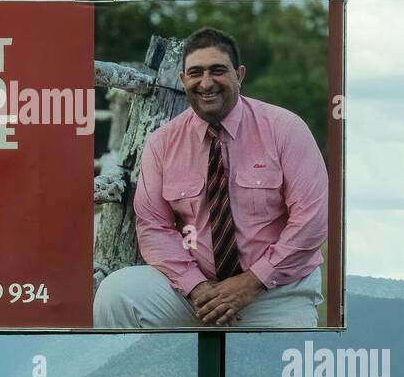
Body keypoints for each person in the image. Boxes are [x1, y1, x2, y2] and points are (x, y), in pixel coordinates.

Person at [94, 26, 328, 329]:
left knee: (281, 372)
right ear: (183, 80)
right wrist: (196, 286)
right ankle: (146, 374)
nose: (206, 83)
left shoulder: (285, 129)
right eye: (195, 73)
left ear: (239, 75)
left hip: (274, 291)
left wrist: (251, 282)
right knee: (117, 294)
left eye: (217, 70)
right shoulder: (162, 143)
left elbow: (312, 221)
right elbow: (154, 227)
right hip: (194, 294)